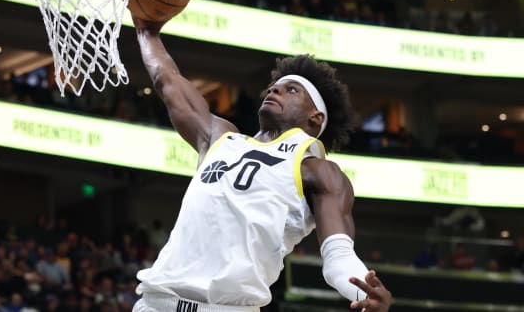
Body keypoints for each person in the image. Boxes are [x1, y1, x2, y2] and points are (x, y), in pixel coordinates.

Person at [130, 17, 391, 311]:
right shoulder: (221, 138)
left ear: (315, 118)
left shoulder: (318, 171)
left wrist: (363, 292)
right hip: (153, 304)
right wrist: (146, 32)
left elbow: (338, 257)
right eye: (272, 88)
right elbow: (168, 81)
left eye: (291, 90)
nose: (273, 91)